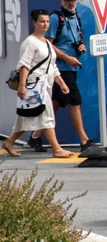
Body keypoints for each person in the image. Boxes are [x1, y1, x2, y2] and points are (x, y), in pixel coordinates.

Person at [28, 0, 94, 152]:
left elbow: (77, 36)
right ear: (61, 1)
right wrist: (68, 58)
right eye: (67, 0)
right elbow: (47, 45)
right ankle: (84, 141)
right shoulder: (56, 18)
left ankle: (35, 137)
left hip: (71, 68)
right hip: (60, 68)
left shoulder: (76, 16)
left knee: (56, 103)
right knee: (75, 102)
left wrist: (82, 45)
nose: (71, 3)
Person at [2, 10, 74, 158]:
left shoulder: (47, 42)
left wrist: (61, 83)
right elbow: (24, 65)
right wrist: (22, 86)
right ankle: (57, 149)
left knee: (27, 117)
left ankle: (9, 142)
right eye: (42, 21)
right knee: (46, 115)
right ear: (34, 22)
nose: (45, 24)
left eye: (47, 22)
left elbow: (52, 66)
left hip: (45, 84)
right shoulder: (30, 42)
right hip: (34, 85)